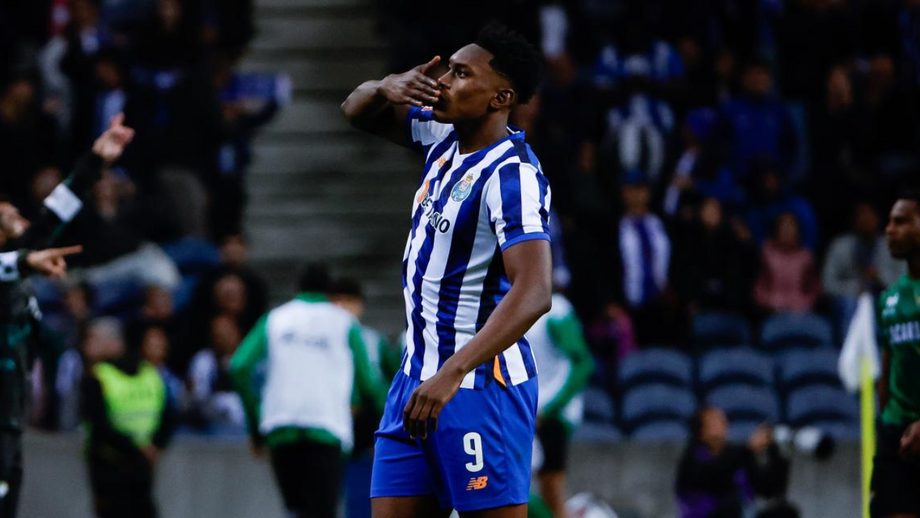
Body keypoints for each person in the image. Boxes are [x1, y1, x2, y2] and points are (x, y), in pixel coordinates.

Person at [342, 22, 553, 518]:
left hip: (477, 386)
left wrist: (453, 372)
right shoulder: (442, 139)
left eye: (460, 74)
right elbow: (355, 109)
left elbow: (535, 290)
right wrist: (385, 86)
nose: (442, 83)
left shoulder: (513, 175)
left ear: (501, 98)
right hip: (415, 380)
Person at [0, 115, 133, 518]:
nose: (16, 211)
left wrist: (96, 161)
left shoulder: (17, 266)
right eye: (7, 209)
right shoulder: (14, 266)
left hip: (9, 416)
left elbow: (54, 215)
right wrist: (24, 262)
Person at [229, 264, 387, 518]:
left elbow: (239, 367)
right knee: (322, 511)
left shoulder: (275, 318)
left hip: (281, 427)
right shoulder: (345, 323)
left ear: (297, 290)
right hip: (328, 427)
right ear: (328, 292)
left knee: (296, 510)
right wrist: (387, 424)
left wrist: (255, 424)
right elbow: (369, 383)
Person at [81, 318, 176, 518]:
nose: (86, 346)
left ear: (114, 343)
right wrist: (153, 447)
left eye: (93, 339)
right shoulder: (150, 374)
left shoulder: (98, 376)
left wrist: (140, 449)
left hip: (110, 467)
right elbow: (171, 416)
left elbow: (99, 426)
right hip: (142, 465)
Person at [871, 191, 920, 518]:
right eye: (889, 222)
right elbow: (887, 368)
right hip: (896, 435)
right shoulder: (889, 299)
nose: (889, 229)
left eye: (901, 221)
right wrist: (884, 428)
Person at [526, 292, 594, 518]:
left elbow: (582, 363)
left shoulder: (555, 310)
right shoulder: (507, 303)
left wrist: (550, 409)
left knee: (550, 491)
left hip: (552, 415)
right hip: (529, 411)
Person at [753, 213, 820, 314]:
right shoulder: (766, 253)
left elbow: (813, 288)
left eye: (791, 227)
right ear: (776, 230)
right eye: (784, 227)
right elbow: (759, 285)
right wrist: (767, 302)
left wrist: (805, 304)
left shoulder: (806, 257)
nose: (787, 231)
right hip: (772, 308)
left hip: (801, 310)